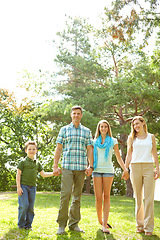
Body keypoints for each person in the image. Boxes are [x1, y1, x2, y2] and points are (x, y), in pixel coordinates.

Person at [53, 106, 93, 235]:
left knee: (77, 197)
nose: (76, 115)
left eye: (78, 113)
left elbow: (89, 149)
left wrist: (90, 165)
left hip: (81, 168)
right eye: (74, 113)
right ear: (71, 115)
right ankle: (61, 225)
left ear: (81, 116)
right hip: (67, 167)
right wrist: (55, 165)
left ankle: (74, 224)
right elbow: (58, 149)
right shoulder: (64, 130)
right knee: (65, 195)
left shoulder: (86, 131)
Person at [123, 116, 160, 236]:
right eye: (134, 125)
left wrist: (157, 169)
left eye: (138, 124)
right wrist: (125, 168)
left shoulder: (151, 137)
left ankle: (149, 228)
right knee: (138, 197)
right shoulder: (131, 138)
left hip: (149, 167)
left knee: (149, 198)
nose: (136, 126)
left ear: (143, 123)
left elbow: (154, 154)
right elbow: (129, 155)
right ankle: (140, 225)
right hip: (135, 167)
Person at [92, 120, 129, 234]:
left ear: (108, 129)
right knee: (98, 197)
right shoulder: (93, 142)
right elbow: (90, 157)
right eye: (101, 127)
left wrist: (125, 169)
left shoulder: (113, 141)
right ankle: (100, 220)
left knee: (106, 196)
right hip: (97, 170)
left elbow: (118, 157)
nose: (103, 129)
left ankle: (104, 225)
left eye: (105, 127)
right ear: (99, 128)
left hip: (108, 171)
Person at [16, 141, 54, 230]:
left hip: (32, 187)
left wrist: (54, 173)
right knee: (24, 205)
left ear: (36, 150)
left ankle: (28, 225)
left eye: (33, 149)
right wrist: (18, 187)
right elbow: (18, 174)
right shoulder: (23, 162)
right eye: (29, 149)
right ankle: (21, 225)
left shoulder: (37, 163)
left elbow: (43, 174)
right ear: (26, 150)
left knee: (30, 208)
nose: (31, 151)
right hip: (23, 186)